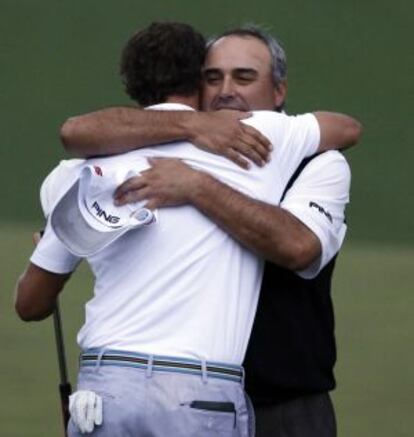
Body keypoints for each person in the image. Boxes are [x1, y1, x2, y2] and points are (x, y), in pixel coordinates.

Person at [15, 23, 360, 436]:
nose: (226, 90)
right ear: (195, 84)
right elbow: (75, 131)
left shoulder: (307, 155)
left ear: (279, 91)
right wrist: (192, 126)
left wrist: (195, 186)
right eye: (212, 77)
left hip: (280, 401)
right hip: (204, 396)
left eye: (244, 77)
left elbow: (299, 246)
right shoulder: (161, 139)